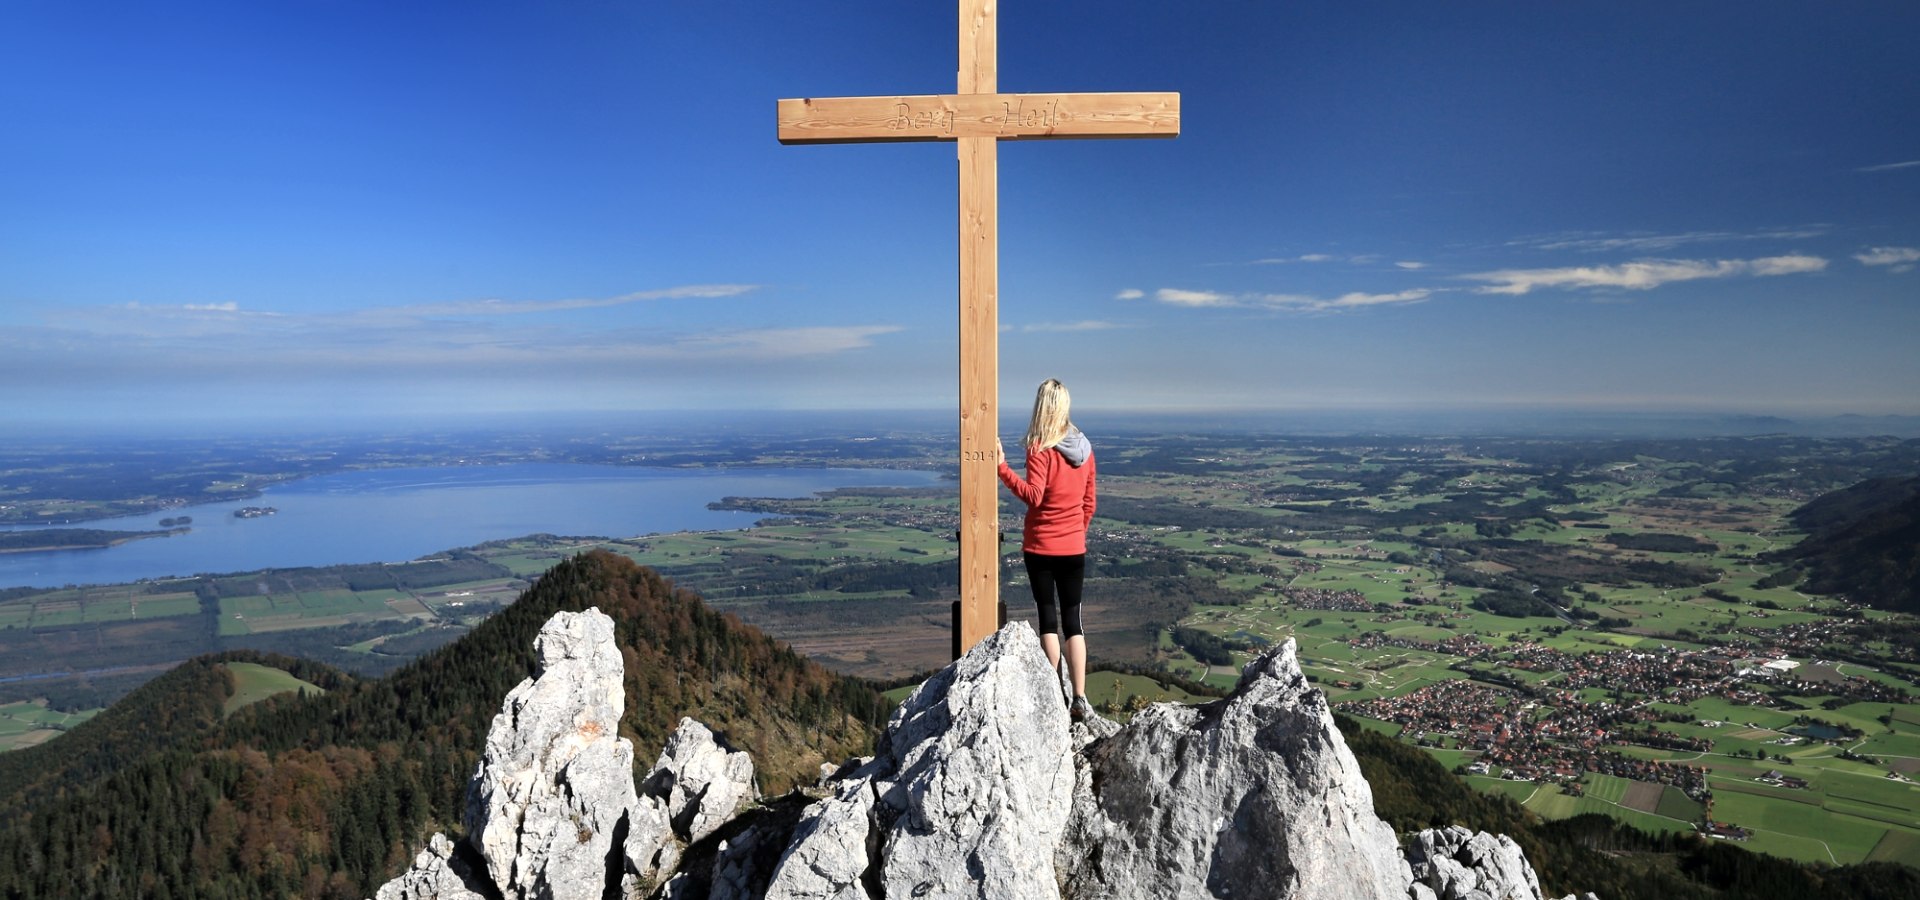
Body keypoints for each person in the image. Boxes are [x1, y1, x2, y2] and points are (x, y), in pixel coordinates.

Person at [996, 378, 1098, 721]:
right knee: (1074, 620)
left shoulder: (1039, 446)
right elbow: (1089, 503)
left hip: (1040, 545)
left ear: (1042, 405)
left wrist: (1002, 469)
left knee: (1048, 619)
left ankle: (1055, 692)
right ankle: (1080, 697)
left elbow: (1034, 495)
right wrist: (1074, 534)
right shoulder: (1084, 448)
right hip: (1074, 547)